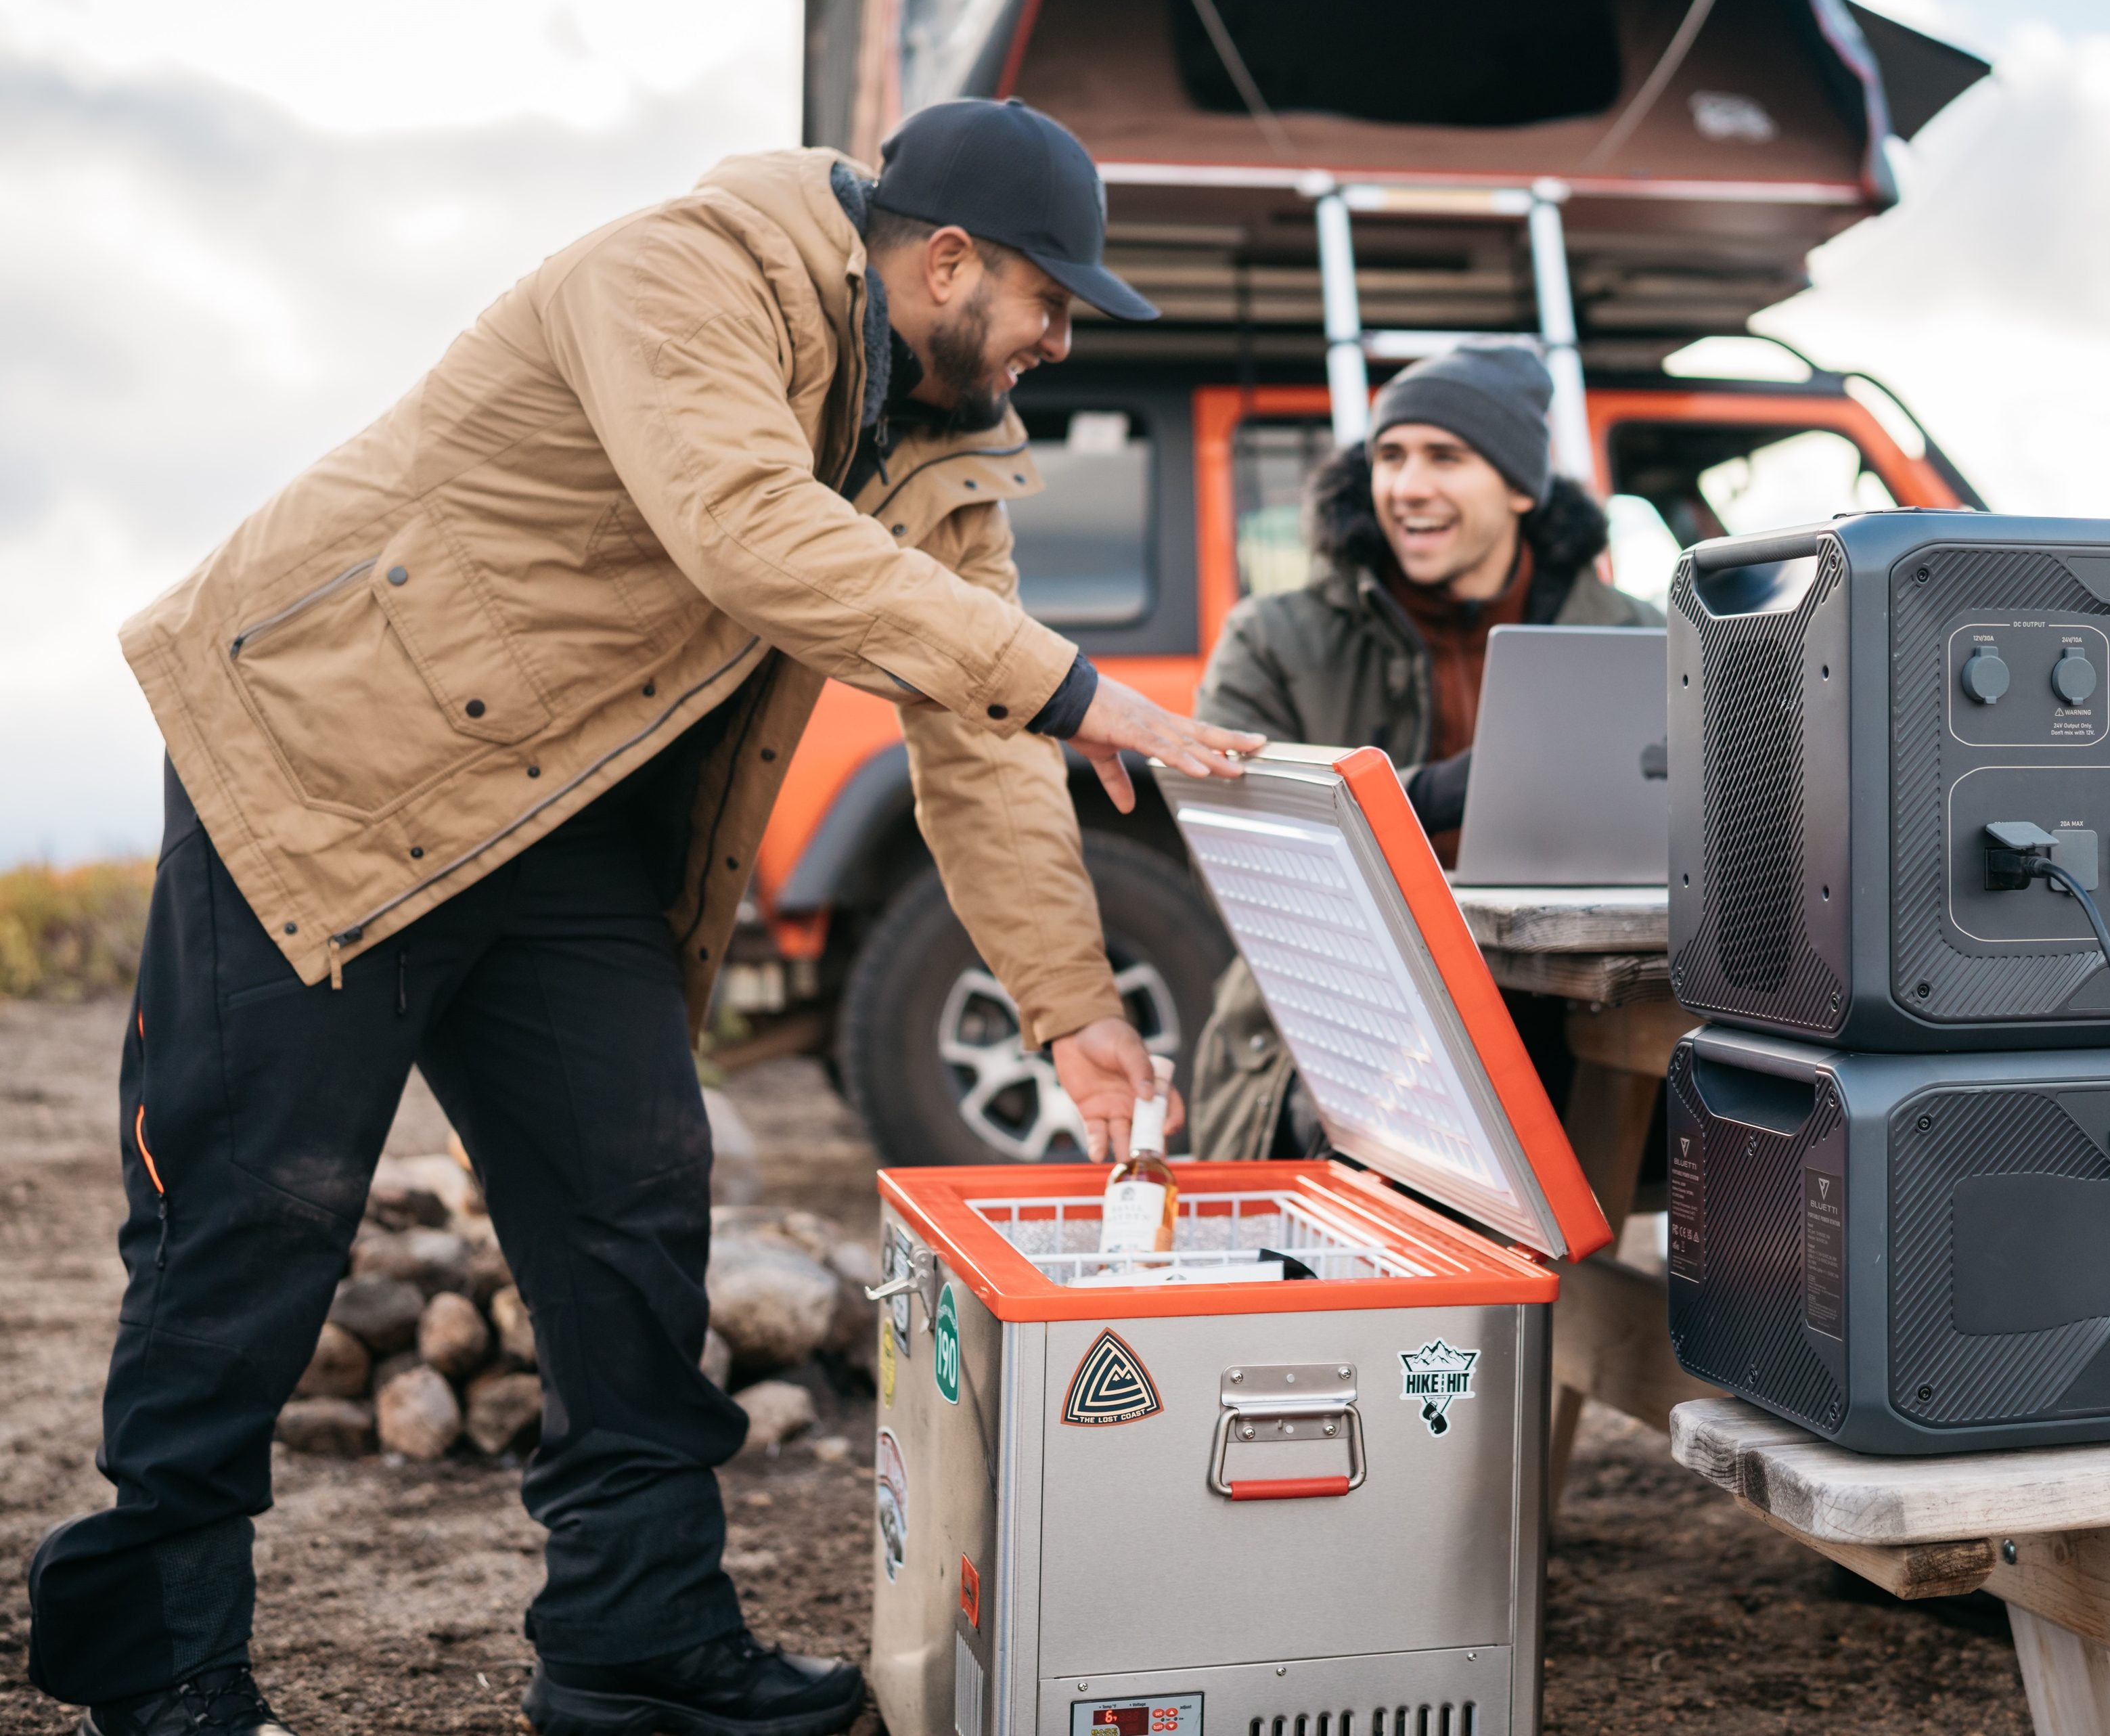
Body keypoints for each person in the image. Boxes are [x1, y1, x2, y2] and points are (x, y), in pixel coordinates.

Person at [24, 99, 1261, 1736]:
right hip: (330, 762)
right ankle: (165, 1666)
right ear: (951, 261)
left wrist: (1073, 1006)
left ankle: (632, 1635)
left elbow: (975, 741)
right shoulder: (686, 273)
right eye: (1053, 301)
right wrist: (1083, 692)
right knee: (253, 1212)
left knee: (633, 1201)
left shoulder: (945, 449)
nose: (1058, 340)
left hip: (558, 822)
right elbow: (745, 527)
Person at [1188, 343, 1660, 1161]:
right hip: (1349, 1023)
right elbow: (1232, 842)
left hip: (1579, 1014)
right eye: (1390, 456)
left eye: (1445, 456)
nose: (1406, 487)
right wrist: (1432, 795)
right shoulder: (1271, 638)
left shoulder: (1641, 638)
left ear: (1519, 486)